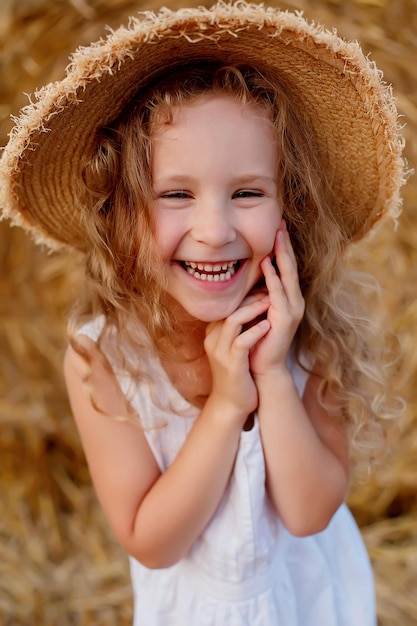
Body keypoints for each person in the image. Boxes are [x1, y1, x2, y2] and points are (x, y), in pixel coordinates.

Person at [0, 3, 407, 625]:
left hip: (310, 606)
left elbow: (308, 512)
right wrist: (223, 405)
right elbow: (152, 541)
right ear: (121, 213)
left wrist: (271, 375)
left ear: (288, 208)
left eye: (247, 192)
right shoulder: (104, 357)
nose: (214, 231)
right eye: (175, 194)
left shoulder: (308, 331)